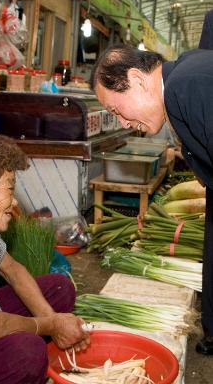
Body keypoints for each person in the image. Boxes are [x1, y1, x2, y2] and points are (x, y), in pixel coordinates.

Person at [90, 44, 213, 355]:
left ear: (137, 79)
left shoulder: (188, 86)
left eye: (116, 110)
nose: (123, 123)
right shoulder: (181, 80)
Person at [0, 129, 90, 383]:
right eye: (9, 190)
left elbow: (13, 270)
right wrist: (52, 326)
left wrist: (52, 319)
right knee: (27, 352)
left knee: (59, 288)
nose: (14, 203)